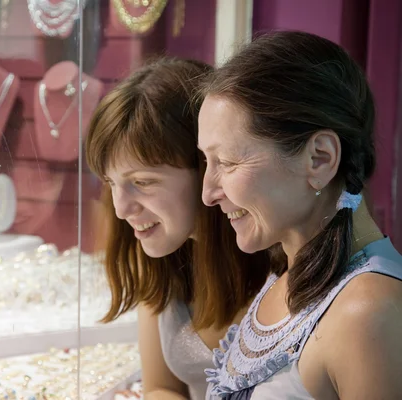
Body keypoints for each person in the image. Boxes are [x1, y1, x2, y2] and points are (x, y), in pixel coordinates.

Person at [198, 31, 402, 399]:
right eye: (206, 161)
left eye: (226, 162)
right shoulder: (289, 274)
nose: (208, 193)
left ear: (319, 158)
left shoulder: (368, 311)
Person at [85, 57, 272, 400]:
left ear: (208, 168)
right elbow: (161, 388)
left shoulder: (278, 262)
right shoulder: (159, 256)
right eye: (111, 182)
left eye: (142, 182)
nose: (122, 209)